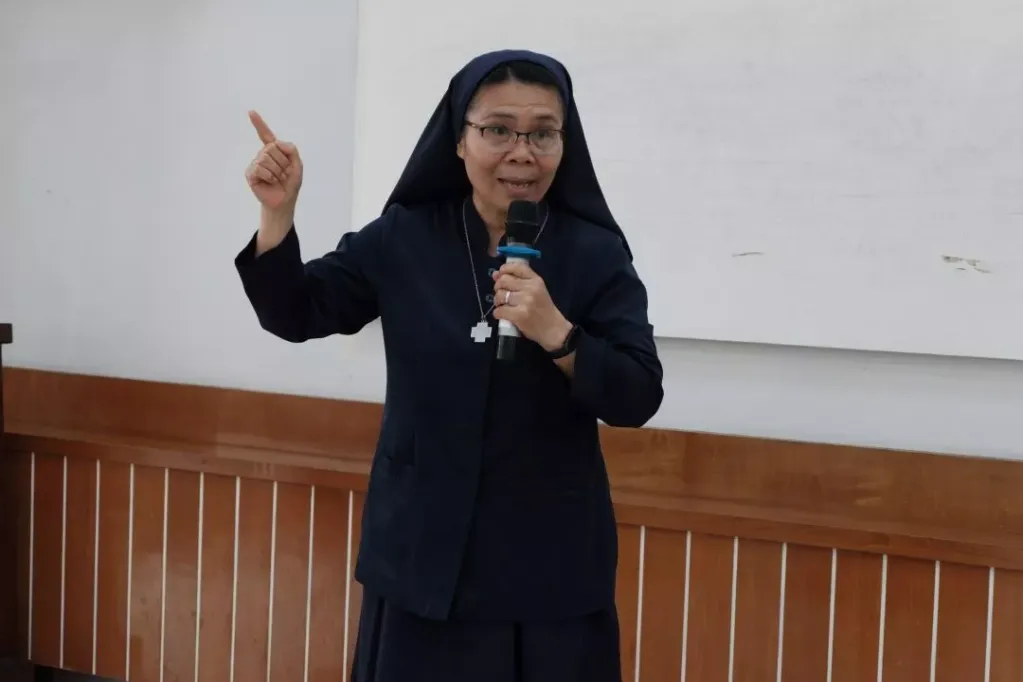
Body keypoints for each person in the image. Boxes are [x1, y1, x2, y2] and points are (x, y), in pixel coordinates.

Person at [235, 49, 664, 682]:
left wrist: (558, 332)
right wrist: (278, 214)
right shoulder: (404, 236)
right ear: (459, 140)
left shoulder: (595, 253)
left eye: (543, 133)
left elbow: (638, 393)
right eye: (499, 130)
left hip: (547, 568)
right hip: (422, 559)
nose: (522, 152)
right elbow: (294, 312)